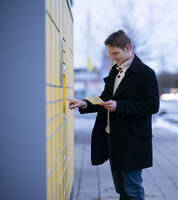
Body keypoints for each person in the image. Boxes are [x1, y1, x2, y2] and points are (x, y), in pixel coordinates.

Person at [68, 29, 159, 200]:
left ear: (127, 48)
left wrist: (120, 106)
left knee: (132, 189)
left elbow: (152, 106)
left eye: (116, 53)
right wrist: (84, 103)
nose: (113, 57)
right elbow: (104, 99)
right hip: (113, 138)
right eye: (110, 54)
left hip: (132, 140)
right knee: (121, 189)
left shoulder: (146, 73)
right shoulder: (114, 71)